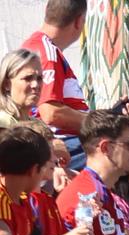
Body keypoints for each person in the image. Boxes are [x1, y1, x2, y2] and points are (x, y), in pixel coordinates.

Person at [23, 0, 89, 155]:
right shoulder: (47, 53)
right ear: (79, 21)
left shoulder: (39, 46)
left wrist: (108, 117)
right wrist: (97, 122)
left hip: (53, 141)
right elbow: (51, 113)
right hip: (60, 144)